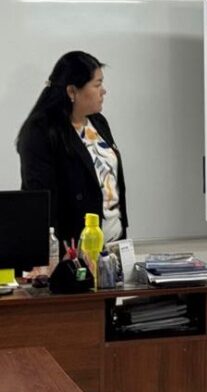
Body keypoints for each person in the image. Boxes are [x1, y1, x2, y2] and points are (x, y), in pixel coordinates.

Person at [17, 51, 127, 251]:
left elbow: (112, 182)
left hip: (113, 245)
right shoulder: (41, 132)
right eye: (97, 85)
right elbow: (41, 202)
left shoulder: (98, 122)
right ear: (72, 91)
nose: (103, 91)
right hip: (72, 252)